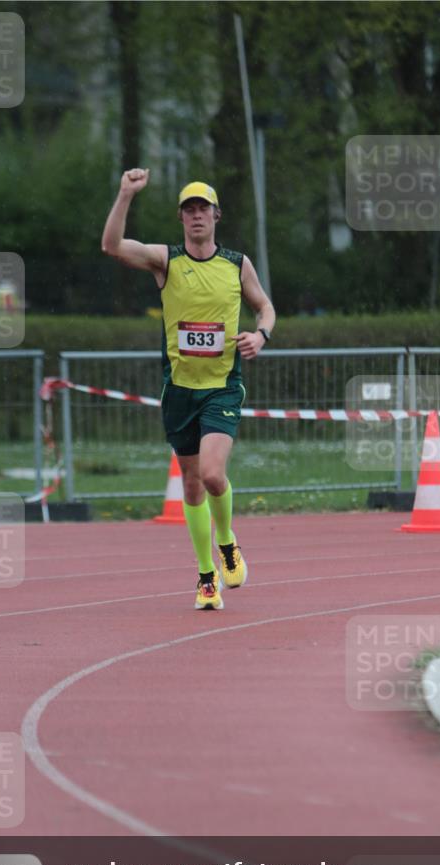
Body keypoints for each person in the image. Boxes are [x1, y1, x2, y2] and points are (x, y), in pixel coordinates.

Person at [102, 169, 275, 610]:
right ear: (181, 218)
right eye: (189, 209)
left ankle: (227, 541)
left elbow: (265, 307)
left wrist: (261, 335)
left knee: (213, 475)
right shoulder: (166, 261)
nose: (197, 215)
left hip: (222, 387)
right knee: (193, 487)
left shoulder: (237, 264)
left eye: (203, 208)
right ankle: (205, 576)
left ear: (217, 215)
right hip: (179, 390)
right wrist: (125, 195)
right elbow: (112, 246)